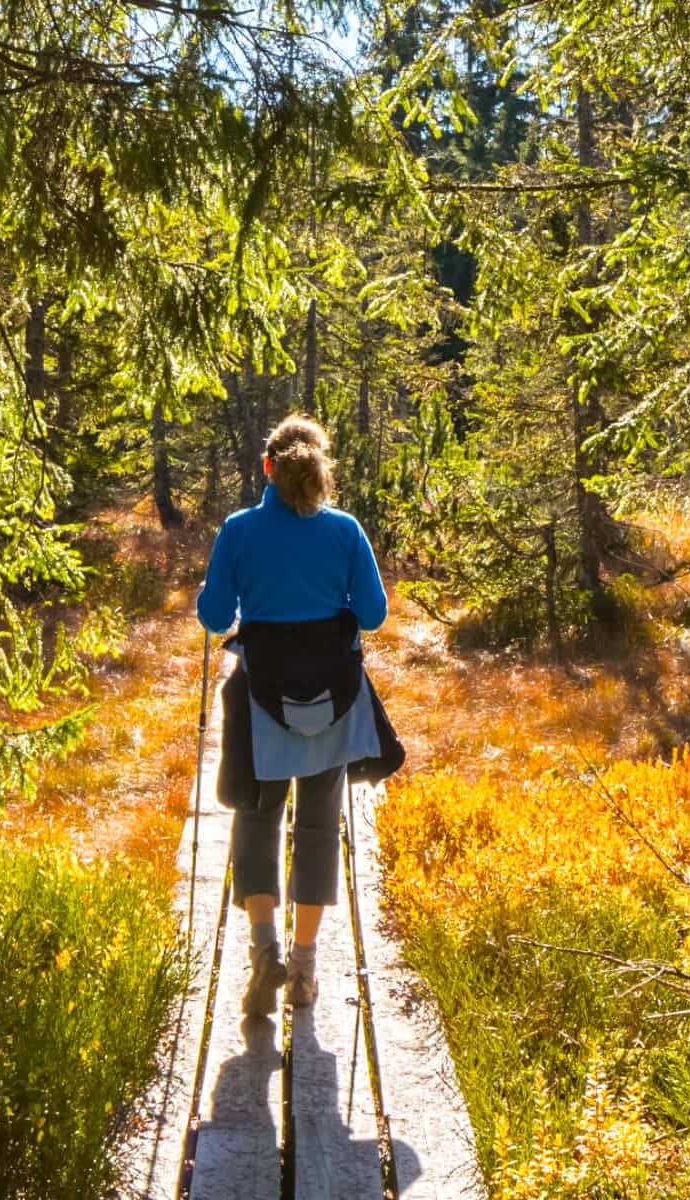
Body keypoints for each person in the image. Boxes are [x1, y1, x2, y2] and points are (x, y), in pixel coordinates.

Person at [197, 414, 402, 1018]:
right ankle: (306, 967)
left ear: (267, 466)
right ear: (320, 469)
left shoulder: (237, 530)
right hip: (333, 701)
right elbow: (371, 615)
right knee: (317, 829)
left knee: (256, 823)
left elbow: (213, 618)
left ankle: (264, 952)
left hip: (262, 699)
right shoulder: (345, 530)